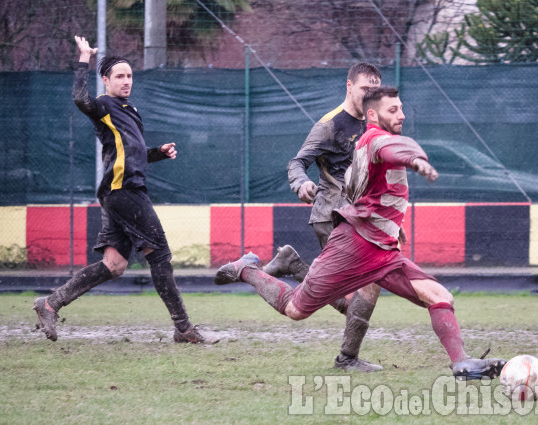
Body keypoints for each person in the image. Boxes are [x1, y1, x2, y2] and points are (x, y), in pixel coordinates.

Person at [215, 86, 505, 379]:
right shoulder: (376, 139)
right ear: (372, 114)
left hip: (382, 251)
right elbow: (393, 149)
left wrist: (392, 224)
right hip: (352, 247)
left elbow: (371, 192)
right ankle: (247, 270)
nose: (401, 114)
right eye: (393, 110)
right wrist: (416, 159)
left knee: (439, 296)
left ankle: (462, 363)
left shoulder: (370, 145)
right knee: (295, 309)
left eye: (401, 108)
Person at [33, 35, 213, 344]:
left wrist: (158, 152)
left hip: (119, 193)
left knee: (114, 265)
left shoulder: (131, 110)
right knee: (160, 255)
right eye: (120, 76)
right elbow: (80, 99)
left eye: (129, 75)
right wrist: (83, 59)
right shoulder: (103, 105)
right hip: (123, 192)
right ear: (106, 80)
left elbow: (133, 151)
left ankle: (49, 304)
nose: (127, 80)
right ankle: (183, 329)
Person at [262, 63, 387, 372]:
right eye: (364, 89)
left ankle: (293, 264)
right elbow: (297, 162)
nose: (370, 96)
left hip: (359, 218)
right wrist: (300, 182)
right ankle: (347, 359)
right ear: (349, 86)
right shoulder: (330, 125)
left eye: (375, 90)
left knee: (348, 300)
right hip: (332, 215)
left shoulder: (375, 125)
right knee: (368, 286)